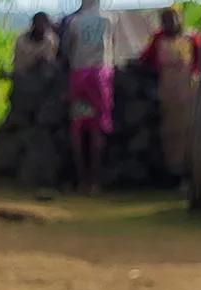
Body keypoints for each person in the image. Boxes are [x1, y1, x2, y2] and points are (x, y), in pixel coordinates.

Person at [140, 7, 201, 184]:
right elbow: (145, 59)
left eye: (172, 19)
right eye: (165, 20)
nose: (169, 24)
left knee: (189, 130)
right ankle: (174, 172)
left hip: (189, 90)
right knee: (170, 132)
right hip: (167, 91)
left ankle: (190, 171)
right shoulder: (158, 39)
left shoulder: (192, 38)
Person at [65, 0, 115, 195]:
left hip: (79, 77)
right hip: (100, 78)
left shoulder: (75, 22)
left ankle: (81, 179)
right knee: (96, 130)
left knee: (78, 129)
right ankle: (95, 180)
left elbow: (69, 50)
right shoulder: (109, 19)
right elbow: (112, 46)